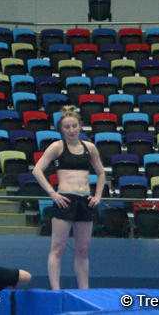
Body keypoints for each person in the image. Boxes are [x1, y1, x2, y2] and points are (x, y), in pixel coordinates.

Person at [31, 105, 105, 290]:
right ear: (61, 129)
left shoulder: (90, 148)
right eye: (67, 127)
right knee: (58, 248)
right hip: (65, 200)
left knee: (83, 250)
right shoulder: (57, 147)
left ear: (80, 127)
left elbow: (101, 173)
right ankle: (55, 290)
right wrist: (52, 193)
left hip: (85, 201)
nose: (71, 130)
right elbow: (37, 170)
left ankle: (84, 291)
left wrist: (97, 196)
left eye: (74, 126)